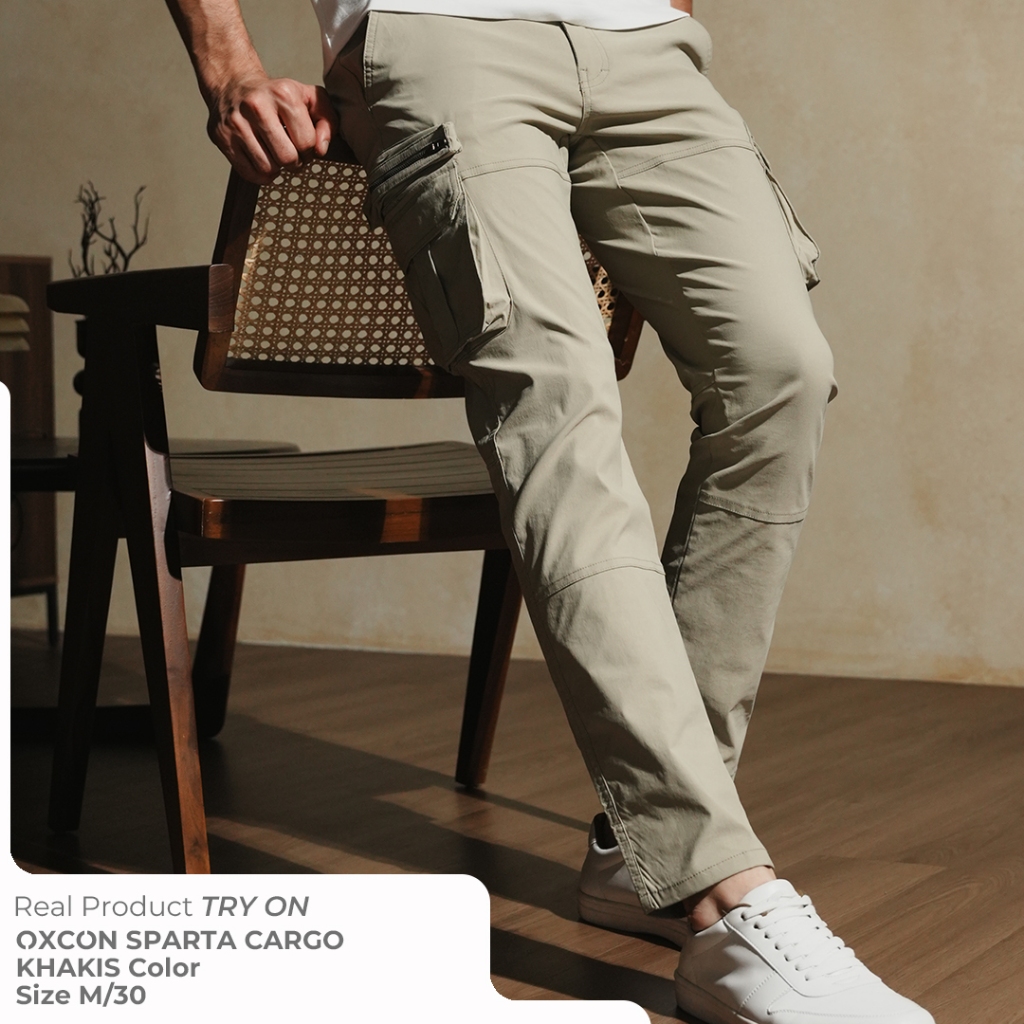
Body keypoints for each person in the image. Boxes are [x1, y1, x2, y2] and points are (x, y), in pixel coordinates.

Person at [164, 2, 934, 1021]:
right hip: (439, 29)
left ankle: (637, 845)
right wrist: (227, 61)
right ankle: (719, 893)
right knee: (559, 410)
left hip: (638, 41)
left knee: (781, 375)